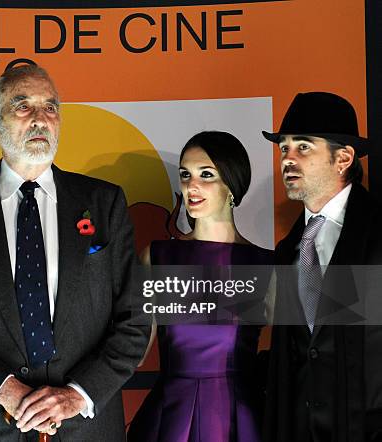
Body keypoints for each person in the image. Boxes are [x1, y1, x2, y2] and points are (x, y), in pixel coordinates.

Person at [0, 64, 150, 441]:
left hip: (85, 429)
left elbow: (134, 320)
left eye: (50, 107)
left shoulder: (105, 203)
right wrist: (6, 391)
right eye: (22, 106)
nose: (40, 119)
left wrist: (75, 395)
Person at [128, 131, 273, 442]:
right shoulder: (159, 257)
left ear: (232, 186)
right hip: (169, 415)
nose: (191, 186)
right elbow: (134, 350)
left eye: (206, 174)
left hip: (238, 418)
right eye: (185, 174)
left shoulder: (267, 265)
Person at [262, 92, 382, 442]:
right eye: (284, 148)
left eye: (303, 147)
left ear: (343, 158)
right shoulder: (289, 250)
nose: (287, 159)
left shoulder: (377, 233)